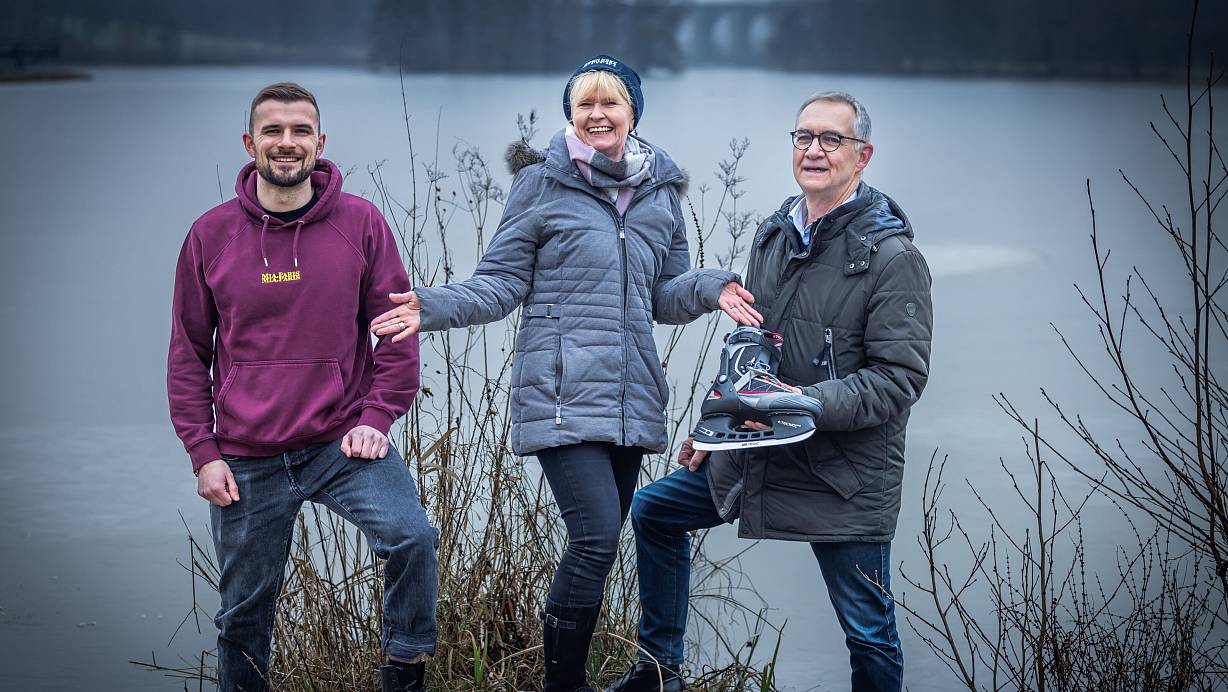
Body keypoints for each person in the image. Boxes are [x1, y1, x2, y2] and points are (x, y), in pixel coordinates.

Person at [369, 55, 760, 692]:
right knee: (597, 537)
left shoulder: (661, 194)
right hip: (560, 395)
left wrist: (715, 287)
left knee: (599, 549)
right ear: (570, 115)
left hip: (632, 399)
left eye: (611, 103)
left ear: (633, 113)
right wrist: (431, 306)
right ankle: (564, 685)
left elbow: (664, 295)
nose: (597, 115)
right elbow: (499, 283)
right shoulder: (541, 185)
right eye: (585, 105)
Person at [608, 92, 933, 692]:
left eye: (831, 139)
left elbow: (898, 381)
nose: (814, 150)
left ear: (863, 156)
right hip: (759, 450)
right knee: (655, 512)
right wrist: (717, 428)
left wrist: (802, 404)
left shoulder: (893, 258)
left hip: (843, 473)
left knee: (867, 629)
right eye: (804, 137)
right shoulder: (775, 236)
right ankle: (658, 677)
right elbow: (751, 348)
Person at [167, 82, 438, 692]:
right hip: (246, 457)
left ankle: (404, 674)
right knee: (244, 614)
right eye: (272, 131)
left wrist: (376, 417)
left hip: (341, 444)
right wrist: (203, 455)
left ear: (320, 142)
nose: (286, 143)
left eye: (299, 131)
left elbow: (395, 331)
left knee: (412, 538)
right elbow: (188, 352)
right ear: (250, 142)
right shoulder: (210, 235)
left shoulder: (361, 222)